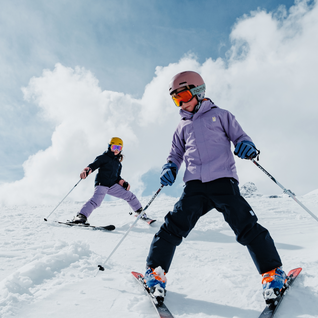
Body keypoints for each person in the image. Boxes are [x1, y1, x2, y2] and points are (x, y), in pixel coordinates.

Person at [143, 71, 286, 306]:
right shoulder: (181, 127)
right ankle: (155, 273)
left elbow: (240, 137)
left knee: (246, 225)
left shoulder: (221, 116)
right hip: (195, 186)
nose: (181, 102)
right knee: (172, 227)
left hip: (223, 180)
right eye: (175, 99)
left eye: (184, 95)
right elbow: (175, 154)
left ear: (199, 92)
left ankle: (272, 274)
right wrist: (169, 168)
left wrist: (246, 146)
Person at [72, 137, 143, 224]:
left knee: (129, 195)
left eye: (119, 148)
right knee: (96, 201)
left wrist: (123, 182)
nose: (116, 150)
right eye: (114, 147)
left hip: (113, 185)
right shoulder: (103, 157)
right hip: (102, 183)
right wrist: (86, 170)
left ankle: (140, 212)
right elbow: (93, 165)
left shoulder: (118, 164)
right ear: (109, 147)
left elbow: (117, 177)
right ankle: (80, 216)